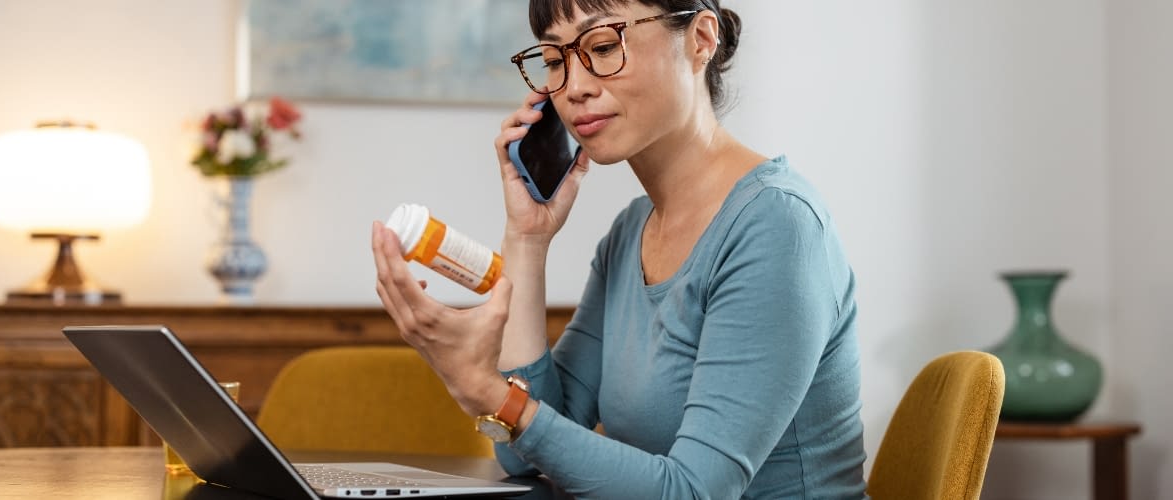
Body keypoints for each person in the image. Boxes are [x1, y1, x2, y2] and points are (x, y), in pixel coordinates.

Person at [371, 0, 868, 497]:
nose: (574, 87)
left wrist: (484, 390)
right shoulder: (631, 232)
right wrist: (527, 238)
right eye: (554, 61)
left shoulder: (777, 225)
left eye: (603, 47)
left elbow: (694, 491)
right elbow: (522, 451)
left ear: (700, 39)